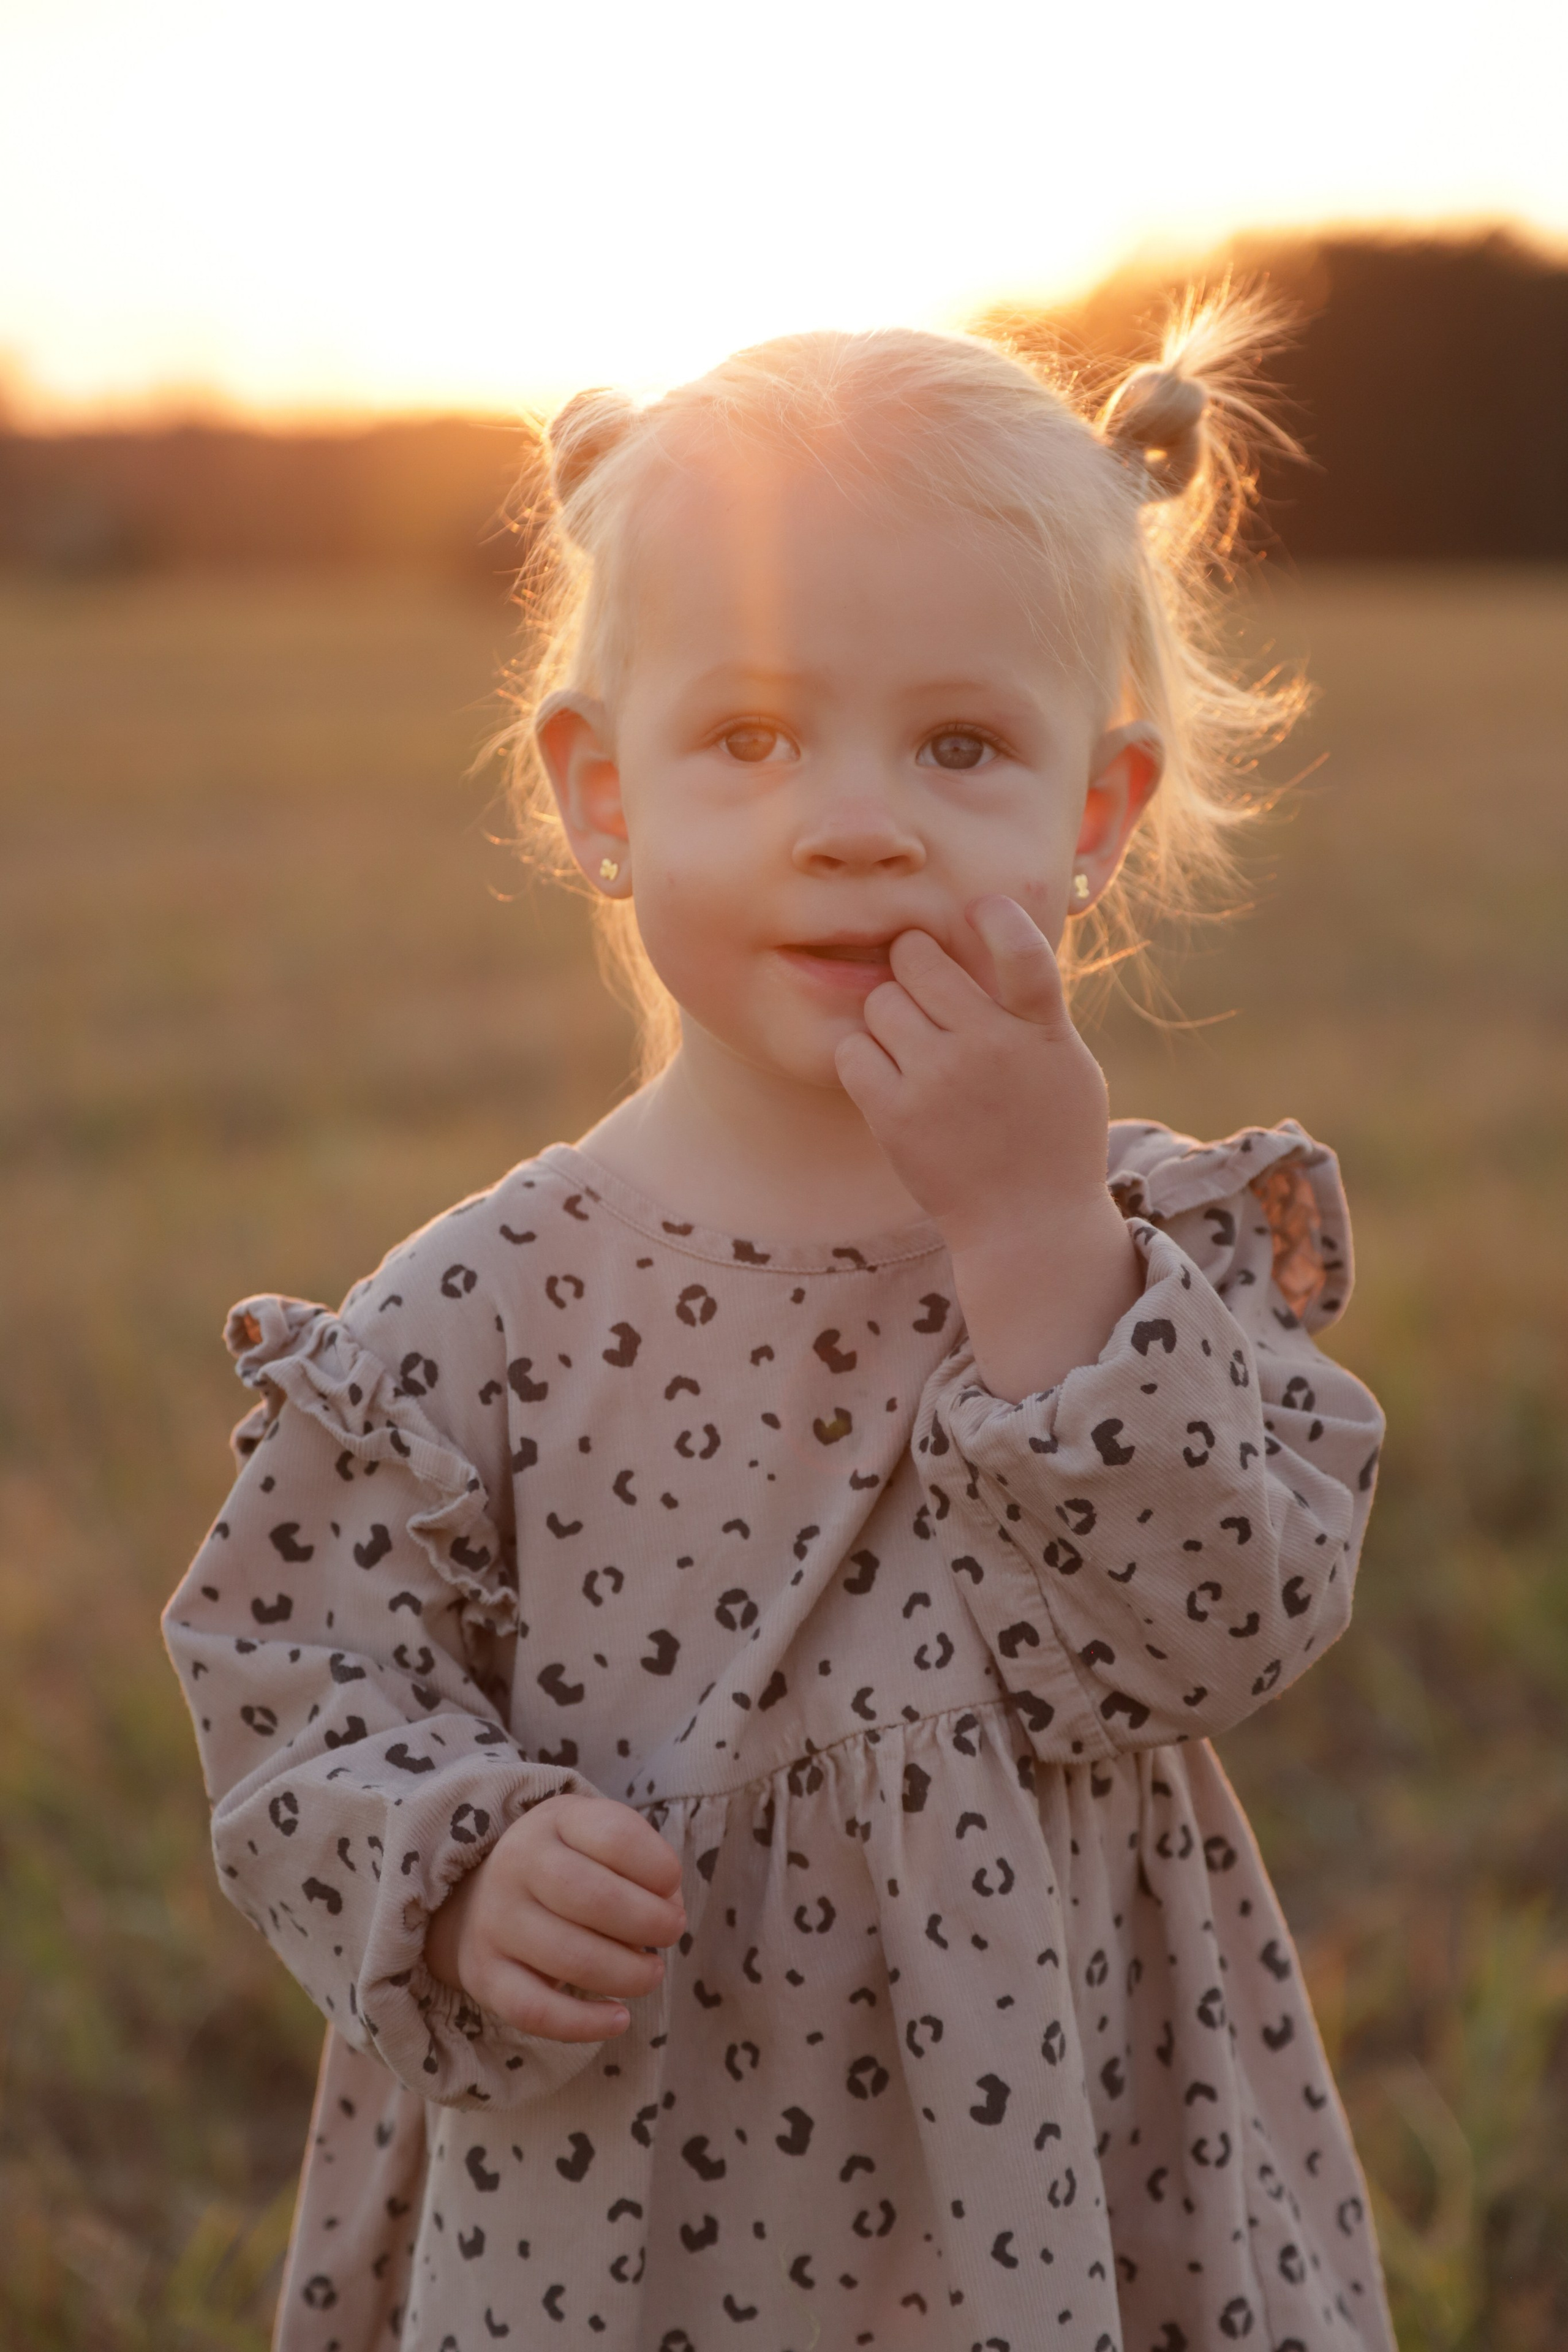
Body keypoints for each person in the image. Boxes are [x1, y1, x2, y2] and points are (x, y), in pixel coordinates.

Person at [164, 304, 1395, 2352]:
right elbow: (289, 1673)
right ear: (599, 791)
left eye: (960, 746)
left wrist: (1032, 1236)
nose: (856, 820)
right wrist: (457, 1866)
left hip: (1065, 2171)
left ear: (1092, 817)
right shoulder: (479, 1309)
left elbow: (1221, 1630)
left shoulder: (1145, 1248)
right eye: (749, 737)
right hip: (621, 2182)